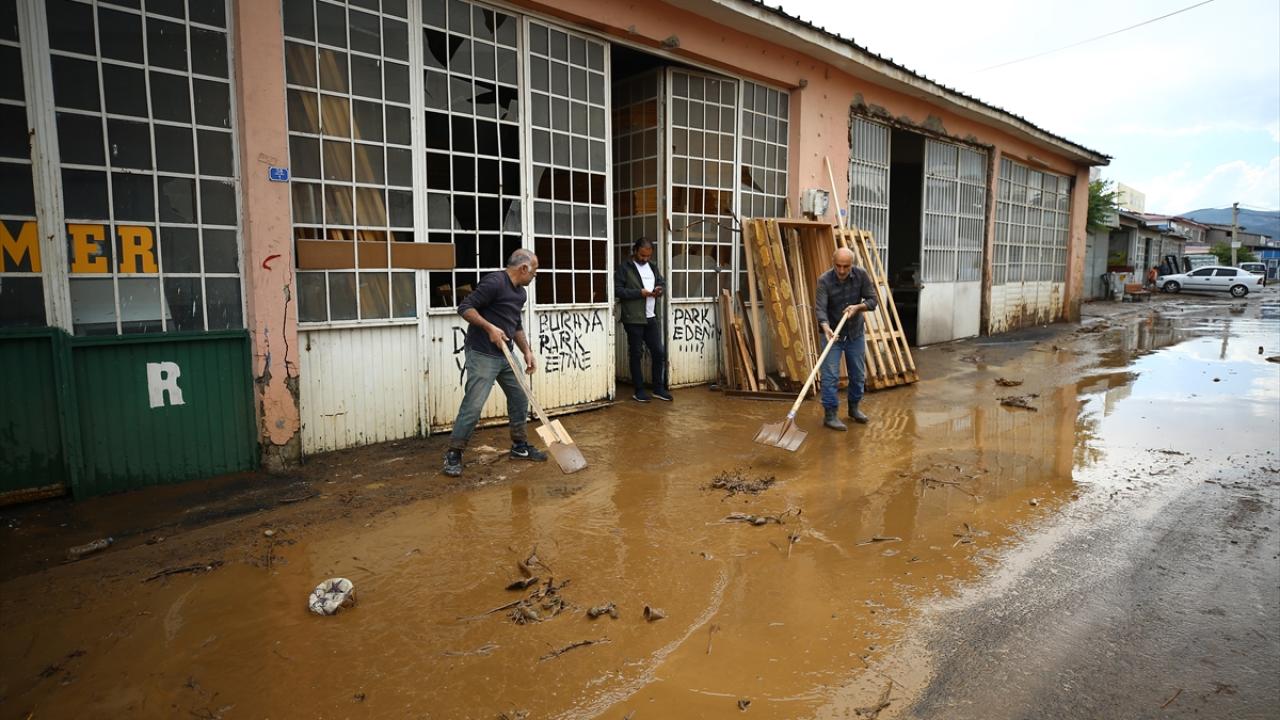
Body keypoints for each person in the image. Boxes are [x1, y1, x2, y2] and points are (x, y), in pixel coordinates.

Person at [442, 249, 547, 477]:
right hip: (482, 353)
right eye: (535, 271)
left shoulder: (520, 293)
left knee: (520, 397)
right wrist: (489, 327)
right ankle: (454, 453)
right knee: (474, 404)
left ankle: (519, 446)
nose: (535, 276)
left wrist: (527, 351)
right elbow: (465, 307)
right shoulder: (495, 282)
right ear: (524, 268)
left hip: (506, 355)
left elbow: (515, 324)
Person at [814, 247, 879, 431]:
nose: (841, 270)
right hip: (831, 334)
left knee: (858, 374)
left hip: (854, 333)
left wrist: (858, 307)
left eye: (846, 266)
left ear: (852, 264)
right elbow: (820, 309)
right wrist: (825, 327)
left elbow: (872, 301)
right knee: (830, 376)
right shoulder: (824, 280)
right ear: (833, 263)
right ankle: (830, 415)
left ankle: (854, 408)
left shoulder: (861, 275)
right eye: (838, 266)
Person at [614, 237, 672, 402]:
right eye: (642, 255)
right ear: (635, 250)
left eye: (648, 256)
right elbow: (617, 290)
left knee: (659, 352)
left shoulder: (652, 267)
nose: (645, 259)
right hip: (633, 318)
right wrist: (639, 293)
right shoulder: (625, 268)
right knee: (636, 353)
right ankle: (639, 390)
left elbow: (661, 282)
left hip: (651, 316)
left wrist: (659, 289)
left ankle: (658, 389)